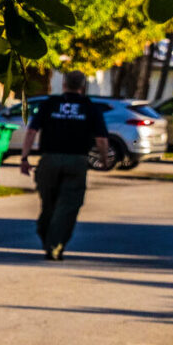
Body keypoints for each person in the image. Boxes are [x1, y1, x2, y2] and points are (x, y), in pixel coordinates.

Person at [18, 71, 112, 260]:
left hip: (49, 159)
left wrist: (24, 157)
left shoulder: (50, 104)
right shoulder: (90, 108)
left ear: (64, 84)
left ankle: (47, 235)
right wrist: (104, 159)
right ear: (82, 86)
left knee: (49, 203)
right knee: (68, 206)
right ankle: (55, 244)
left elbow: (31, 131)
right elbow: (101, 139)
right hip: (77, 161)